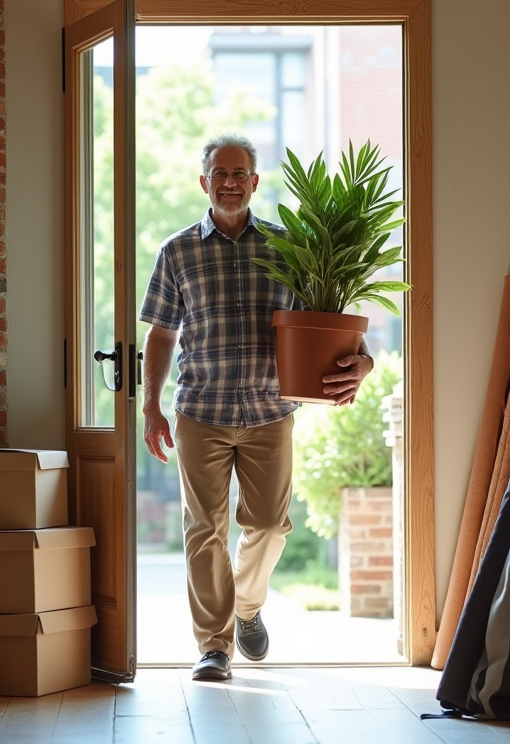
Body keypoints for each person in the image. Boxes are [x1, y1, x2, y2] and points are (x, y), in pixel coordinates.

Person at [138, 133, 373, 681]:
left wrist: (361, 364)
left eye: (240, 172)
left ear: (255, 181)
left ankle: (247, 607)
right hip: (201, 410)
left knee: (269, 524)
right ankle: (213, 646)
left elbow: (330, 321)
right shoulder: (177, 251)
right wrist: (150, 406)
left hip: (270, 410)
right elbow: (160, 335)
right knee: (204, 530)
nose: (230, 180)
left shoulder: (288, 247)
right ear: (204, 182)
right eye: (220, 172)